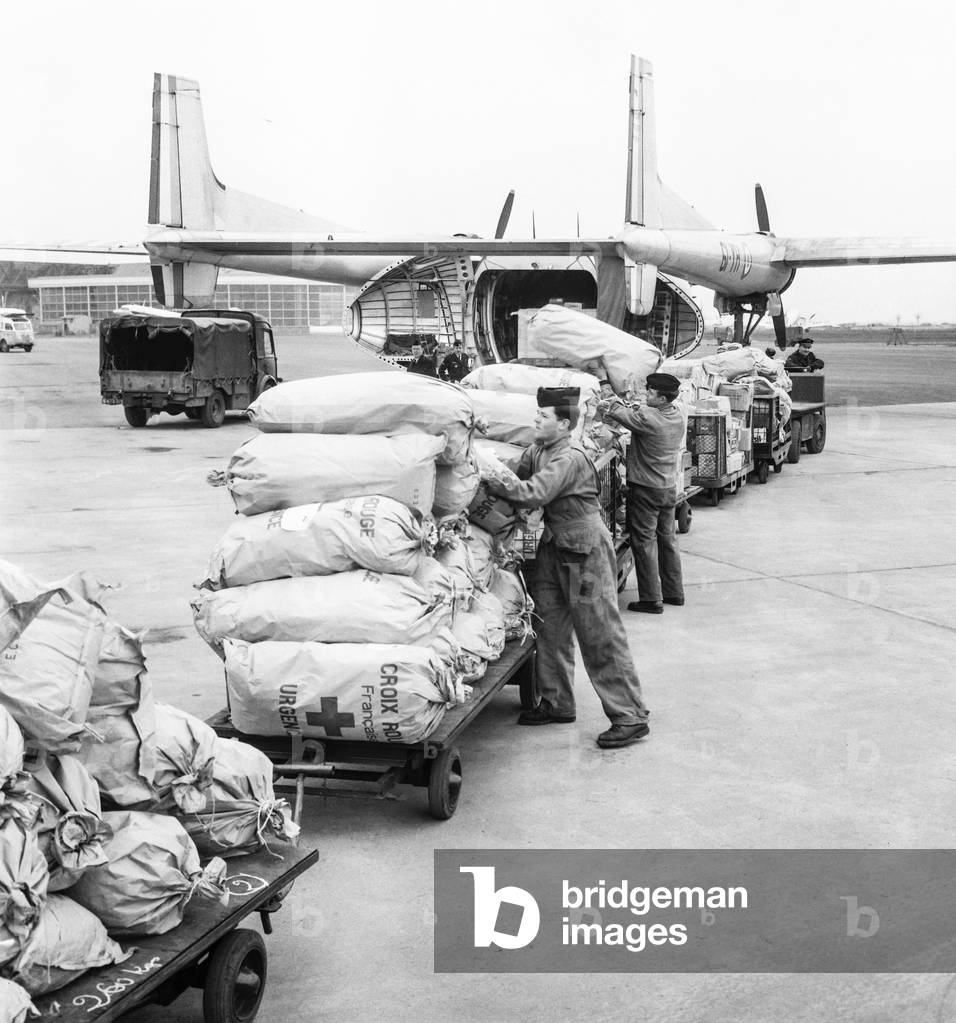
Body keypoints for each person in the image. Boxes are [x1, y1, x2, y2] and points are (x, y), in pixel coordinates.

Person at [486, 387, 650, 749]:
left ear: (563, 423)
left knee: (598, 632)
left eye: (542, 417)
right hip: (551, 549)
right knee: (549, 627)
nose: (535, 421)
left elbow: (531, 493)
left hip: (582, 553)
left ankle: (629, 715)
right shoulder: (537, 450)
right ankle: (557, 702)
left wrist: (489, 478)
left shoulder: (569, 458)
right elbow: (517, 473)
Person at [600, 372, 685, 614]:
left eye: (650, 392)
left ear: (662, 398)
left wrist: (606, 382)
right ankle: (674, 592)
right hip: (667, 488)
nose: (646, 394)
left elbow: (616, 410)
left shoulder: (649, 419)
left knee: (644, 541)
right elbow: (638, 411)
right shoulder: (676, 415)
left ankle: (650, 599)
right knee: (667, 540)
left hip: (646, 489)